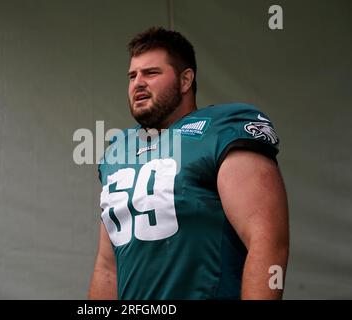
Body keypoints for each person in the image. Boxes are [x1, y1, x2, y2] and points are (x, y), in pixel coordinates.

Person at [88, 27, 289, 300]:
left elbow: (267, 241)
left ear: (185, 80)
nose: (138, 83)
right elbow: (107, 267)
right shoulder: (117, 150)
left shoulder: (223, 128)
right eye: (132, 76)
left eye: (151, 73)